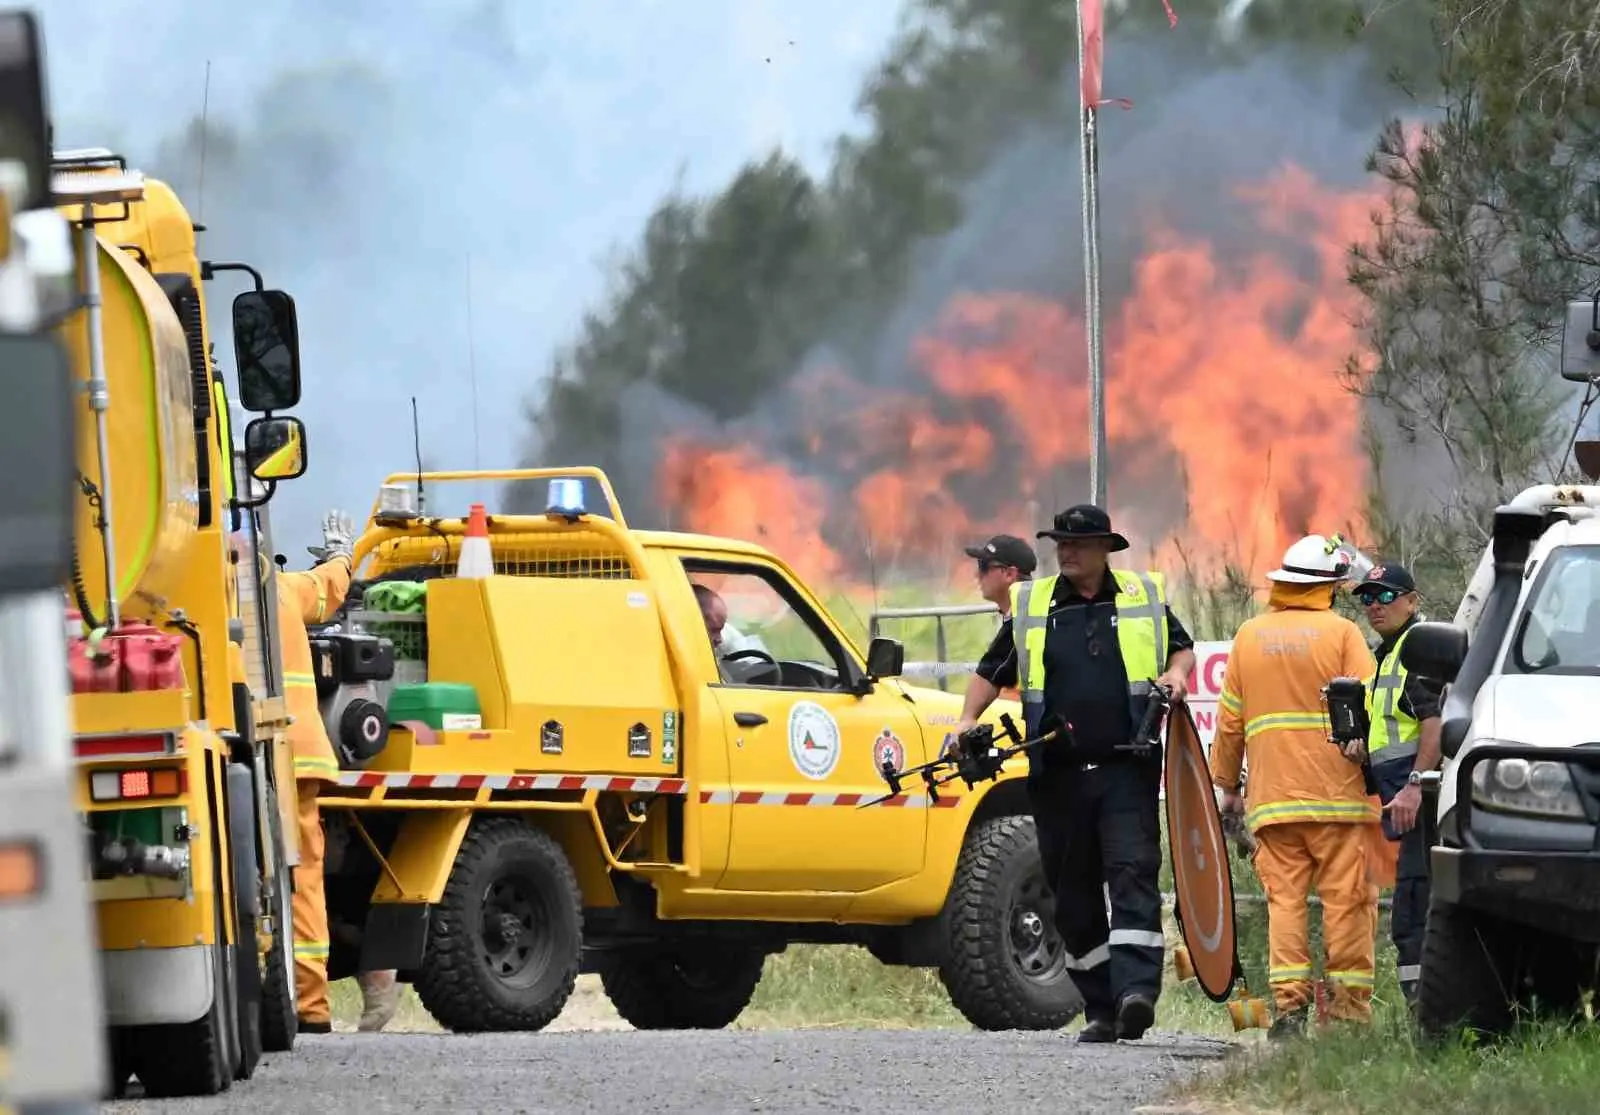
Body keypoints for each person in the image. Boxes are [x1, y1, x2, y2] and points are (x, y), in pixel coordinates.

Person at [958, 504, 1196, 1043]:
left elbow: (1182, 649)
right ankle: (1101, 1006)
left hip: (1126, 768)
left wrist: (1176, 676)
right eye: (1059, 542)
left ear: (1105, 549)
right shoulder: (1034, 605)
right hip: (1058, 776)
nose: (1065, 551)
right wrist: (967, 719)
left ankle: (1136, 993)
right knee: (1073, 895)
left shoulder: (1142, 596)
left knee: (1133, 874)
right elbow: (989, 672)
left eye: (1077, 543)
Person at [1208, 534, 1383, 1038]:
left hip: (1273, 802)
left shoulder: (1249, 637)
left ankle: (1289, 1012)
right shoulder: (1343, 635)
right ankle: (1349, 1015)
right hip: (1340, 801)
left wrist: (1227, 787)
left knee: (1284, 906)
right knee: (1347, 903)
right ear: (1328, 585)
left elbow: (1230, 724)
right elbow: (1370, 711)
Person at [1354, 561, 1442, 1009]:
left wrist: (1414, 785)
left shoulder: (1417, 652)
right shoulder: (1386, 655)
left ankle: (1427, 1016)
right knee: (1411, 908)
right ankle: (1422, 1013)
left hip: (1425, 805)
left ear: (1412, 601)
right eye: (1367, 597)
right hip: (1405, 803)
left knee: (1414, 912)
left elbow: (1435, 722)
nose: (1375, 605)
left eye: (1386, 596)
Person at [962, 533, 1037, 619]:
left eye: (984, 566)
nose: (977, 574)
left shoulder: (1031, 623)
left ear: (1009, 574)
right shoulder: (1023, 617)